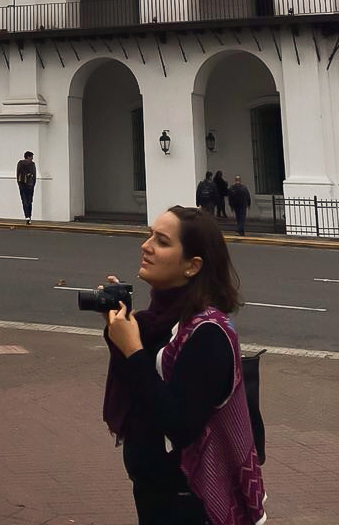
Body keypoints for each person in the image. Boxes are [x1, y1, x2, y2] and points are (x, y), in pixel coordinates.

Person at [102, 206, 266, 525]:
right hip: (155, 493)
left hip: (189, 501)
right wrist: (120, 330)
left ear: (193, 266)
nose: (146, 246)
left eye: (161, 241)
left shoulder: (207, 333)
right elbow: (142, 388)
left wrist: (132, 349)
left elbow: (179, 425)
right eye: (150, 235)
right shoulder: (159, 322)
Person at [16, 151, 36, 224]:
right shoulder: (32, 164)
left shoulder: (20, 163)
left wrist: (19, 184)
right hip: (30, 185)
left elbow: (17, 174)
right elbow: (34, 175)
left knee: (24, 201)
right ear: (28, 157)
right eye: (31, 157)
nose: (32, 159)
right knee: (29, 201)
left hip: (22, 185)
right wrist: (33, 184)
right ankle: (29, 216)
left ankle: (27, 217)